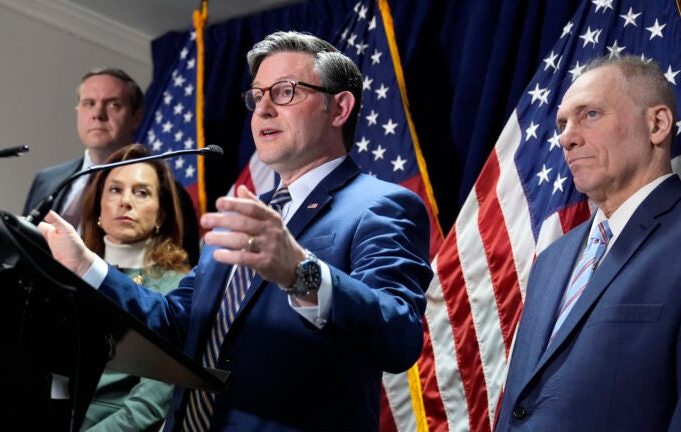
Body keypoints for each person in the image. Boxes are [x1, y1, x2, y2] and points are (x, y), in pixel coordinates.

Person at [39, 31, 432, 431]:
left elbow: (399, 335)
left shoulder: (379, 205)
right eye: (256, 96)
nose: (262, 110)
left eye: (284, 92)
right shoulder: (243, 217)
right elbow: (175, 325)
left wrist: (300, 273)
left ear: (339, 107)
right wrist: (86, 265)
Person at [496, 55, 681, 431]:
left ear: (657, 124)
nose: (566, 137)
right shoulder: (552, 259)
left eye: (590, 114)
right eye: (563, 123)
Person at [23, 66, 200, 265]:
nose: (98, 114)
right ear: (78, 110)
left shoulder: (168, 191)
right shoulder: (48, 180)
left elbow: (183, 273)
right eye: (89, 103)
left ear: (136, 118)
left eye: (113, 105)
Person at [77, 144, 190, 431]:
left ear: (161, 215)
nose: (125, 202)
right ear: (98, 206)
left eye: (141, 192)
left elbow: (150, 404)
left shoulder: (177, 288)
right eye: (115, 190)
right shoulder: (68, 271)